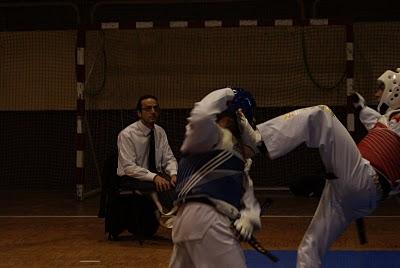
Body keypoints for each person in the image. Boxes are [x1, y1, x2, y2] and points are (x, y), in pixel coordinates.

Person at [236, 68, 400, 268]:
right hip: (353, 193)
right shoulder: (390, 120)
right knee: (309, 249)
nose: (377, 94)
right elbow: (376, 122)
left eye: (381, 89)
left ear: (395, 90)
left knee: (322, 116)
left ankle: (257, 142)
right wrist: (362, 108)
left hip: (363, 179)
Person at [169, 88, 261, 268]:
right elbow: (202, 114)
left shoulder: (236, 156)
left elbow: (246, 193)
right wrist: (229, 92)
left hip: (188, 222)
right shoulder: (210, 136)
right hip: (208, 220)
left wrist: (249, 217)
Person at [117, 95, 178, 221]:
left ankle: (180, 216)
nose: (153, 112)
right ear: (139, 113)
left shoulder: (160, 131)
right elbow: (129, 168)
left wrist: (173, 174)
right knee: (164, 187)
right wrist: (154, 177)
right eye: (148, 109)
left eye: (155, 108)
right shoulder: (127, 134)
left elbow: (169, 158)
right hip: (131, 177)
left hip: (155, 175)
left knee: (180, 184)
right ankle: (175, 217)